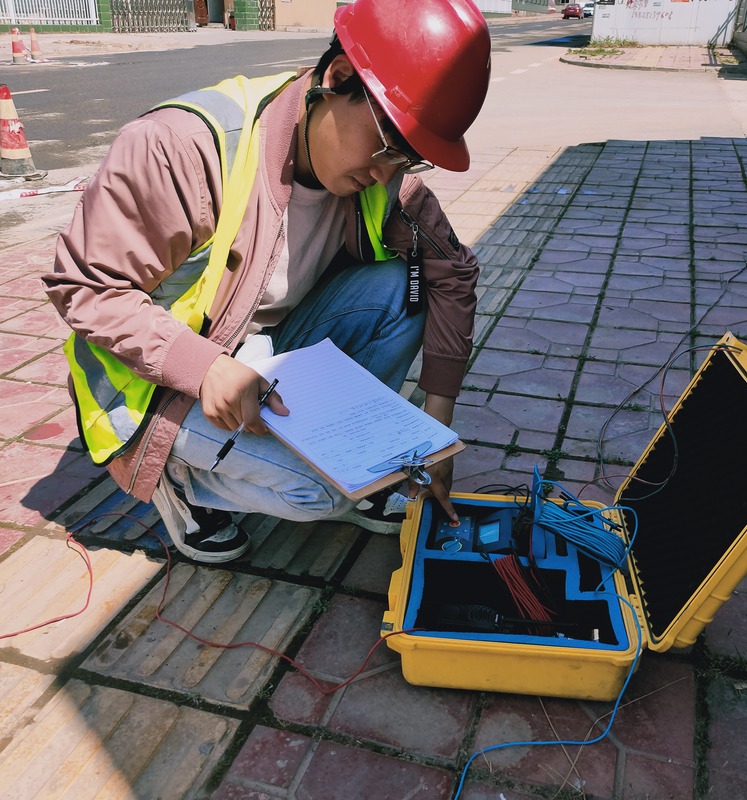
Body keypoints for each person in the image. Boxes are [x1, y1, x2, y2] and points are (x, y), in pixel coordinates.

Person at [43, 0, 492, 564]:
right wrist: (204, 367)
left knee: (401, 290)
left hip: (264, 357)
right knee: (324, 491)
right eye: (385, 149)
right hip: (158, 382)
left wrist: (435, 433)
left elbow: (452, 272)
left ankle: (347, 451)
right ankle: (178, 480)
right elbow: (83, 285)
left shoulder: (383, 179)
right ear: (339, 78)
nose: (386, 174)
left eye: (408, 159)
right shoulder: (183, 148)